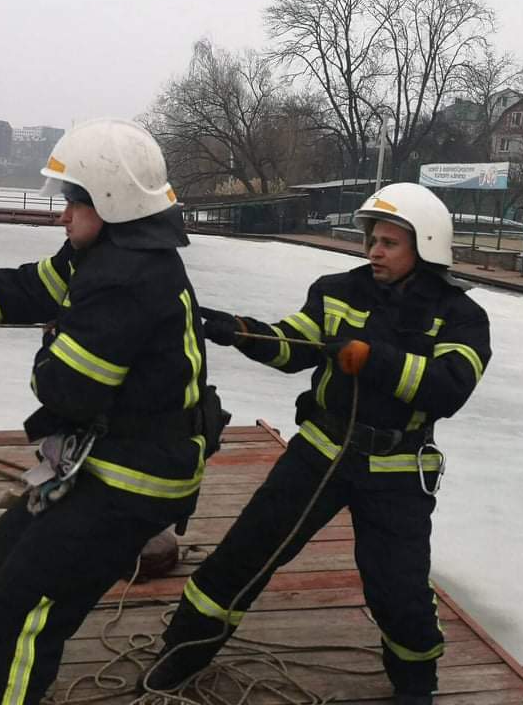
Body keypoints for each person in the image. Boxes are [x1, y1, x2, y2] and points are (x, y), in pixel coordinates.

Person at [0, 118, 224, 705]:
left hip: (135, 480)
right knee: (5, 552)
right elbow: (23, 288)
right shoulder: (107, 256)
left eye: (73, 201)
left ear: (110, 202)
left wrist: (52, 338)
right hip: (110, 460)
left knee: (26, 609)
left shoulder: (125, 281)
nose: (62, 214)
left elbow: (65, 391)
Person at [144, 183, 492, 705]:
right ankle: (181, 653)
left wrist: (372, 357)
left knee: (399, 591)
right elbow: (294, 345)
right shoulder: (337, 289)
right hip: (322, 451)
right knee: (244, 554)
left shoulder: (462, 317)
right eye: (373, 239)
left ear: (425, 247)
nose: (373, 250)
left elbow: (448, 389)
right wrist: (240, 331)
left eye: (390, 243)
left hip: (397, 466)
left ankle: (416, 684)